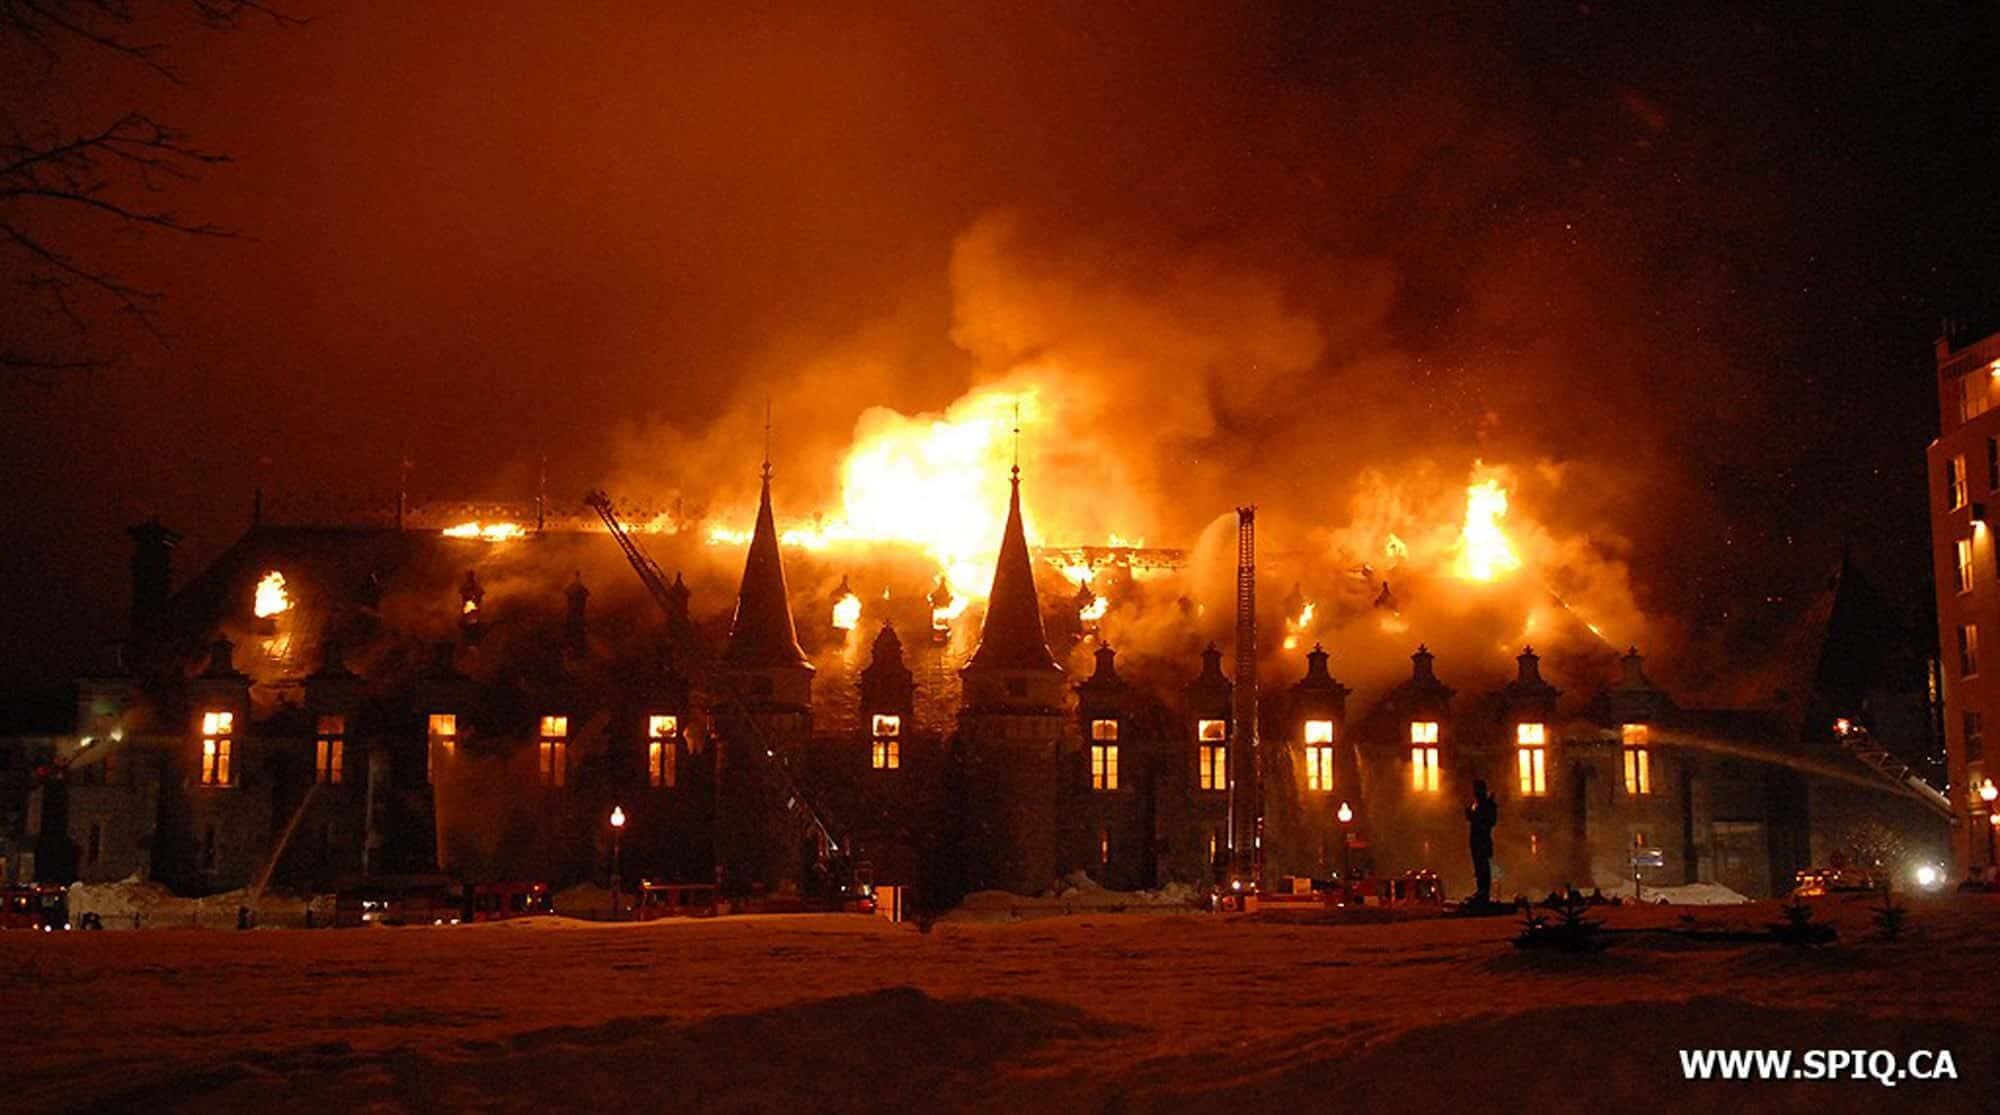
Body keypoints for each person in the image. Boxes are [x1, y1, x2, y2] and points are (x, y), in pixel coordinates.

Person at [1466, 779, 1498, 905]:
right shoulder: (1478, 804)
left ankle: (1484, 892)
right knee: (1478, 867)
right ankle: (1481, 890)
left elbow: (1490, 822)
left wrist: (1474, 817)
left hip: (1483, 841)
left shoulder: (1487, 805)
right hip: (1476, 840)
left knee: (1483, 867)